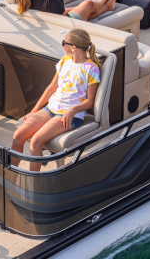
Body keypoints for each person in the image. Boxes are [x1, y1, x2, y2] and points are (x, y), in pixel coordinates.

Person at [10, 28, 101, 171]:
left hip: (70, 115)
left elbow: (90, 100)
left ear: (73, 47)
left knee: (36, 141)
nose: (62, 45)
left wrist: (73, 110)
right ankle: (10, 176)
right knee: (18, 135)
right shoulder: (65, 60)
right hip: (50, 109)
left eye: (64, 42)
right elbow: (51, 87)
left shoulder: (91, 68)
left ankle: (34, 184)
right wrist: (34, 111)